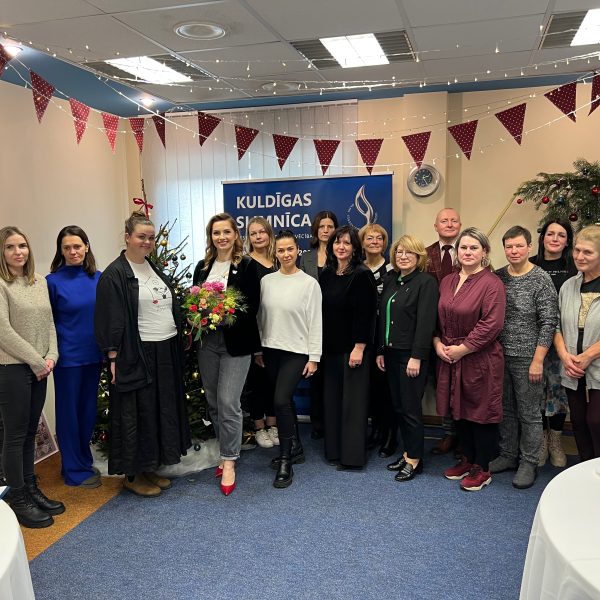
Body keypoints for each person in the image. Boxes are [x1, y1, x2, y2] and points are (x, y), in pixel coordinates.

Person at [95, 211, 190, 498]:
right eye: (141, 237)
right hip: (136, 354)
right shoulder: (115, 274)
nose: (147, 242)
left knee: (156, 411)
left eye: (151, 237)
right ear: (127, 237)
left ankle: (149, 467)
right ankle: (133, 475)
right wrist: (113, 358)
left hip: (164, 350)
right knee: (135, 413)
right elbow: (110, 319)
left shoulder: (152, 267)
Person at [0, 226, 64, 528]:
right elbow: (3, 332)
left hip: (40, 366)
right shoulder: (1, 284)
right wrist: (37, 360)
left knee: (29, 432)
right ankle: (17, 496)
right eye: (10, 247)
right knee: (15, 435)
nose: (18, 252)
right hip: (12, 368)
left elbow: (49, 322)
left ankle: (29, 486)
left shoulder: (39, 281)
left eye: (22, 246)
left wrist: (52, 356)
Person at [193, 213, 260, 496]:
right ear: (211, 237)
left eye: (226, 232)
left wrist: (224, 314)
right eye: (216, 233)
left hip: (236, 343)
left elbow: (252, 306)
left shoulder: (247, 266)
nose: (221, 237)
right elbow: (195, 301)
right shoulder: (202, 267)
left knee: (228, 402)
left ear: (235, 235)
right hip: (207, 343)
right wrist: (197, 313)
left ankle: (230, 461)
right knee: (213, 402)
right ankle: (225, 449)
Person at [436, 228, 506, 491]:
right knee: (459, 410)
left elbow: (492, 324)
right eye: (463, 247)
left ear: (484, 252)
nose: (467, 252)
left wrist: (463, 349)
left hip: (480, 358)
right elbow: (438, 318)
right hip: (450, 355)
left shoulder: (492, 283)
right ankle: (467, 459)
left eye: (473, 248)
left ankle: (483, 468)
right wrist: (437, 344)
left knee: (481, 413)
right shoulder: (448, 281)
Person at [490, 226, 558, 489]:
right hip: (499, 355)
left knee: (529, 413)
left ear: (529, 247)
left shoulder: (540, 279)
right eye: (509, 247)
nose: (514, 251)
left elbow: (549, 322)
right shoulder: (498, 277)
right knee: (506, 409)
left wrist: (538, 360)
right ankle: (508, 454)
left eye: (519, 246)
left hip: (528, 358)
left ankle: (529, 461)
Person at [257, 230, 322, 488]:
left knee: (280, 401)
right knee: (284, 403)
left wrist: (314, 357)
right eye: (281, 250)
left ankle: (285, 459)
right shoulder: (267, 281)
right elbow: (261, 317)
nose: (285, 254)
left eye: (290, 249)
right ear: (275, 252)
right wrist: (258, 350)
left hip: (297, 351)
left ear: (298, 250)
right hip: (270, 350)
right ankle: (295, 447)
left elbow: (315, 322)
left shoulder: (309, 283)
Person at [376, 235, 438, 482]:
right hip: (391, 354)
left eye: (409, 252)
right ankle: (408, 452)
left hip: (410, 356)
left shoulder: (426, 282)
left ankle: (414, 459)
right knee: (399, 407)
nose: (403, 256)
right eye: (399, 252)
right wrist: (381, 350)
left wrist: (417, 357)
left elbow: (426, 323)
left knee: (411, 409)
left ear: (418, 256)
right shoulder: (392, 280)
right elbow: (383, 318)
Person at [46, 226, 103, 489]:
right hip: (67, 358)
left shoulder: (99, 278)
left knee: (87, 412)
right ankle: (73, 471)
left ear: (86, 246)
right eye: (66, 247)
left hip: (94, 355)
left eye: (77, 246)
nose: (72, 251)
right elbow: (47, 323)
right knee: (69, 415)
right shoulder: (52, 282)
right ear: (60, 251)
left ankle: (81, 461)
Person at [320, 225, 377, 469]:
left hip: (352, 349)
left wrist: (359, 348)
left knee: (353, 405)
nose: (341, 247)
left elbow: (366, 315)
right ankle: (334, 451)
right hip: (329, 348)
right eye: (337, 242)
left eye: (346, 243)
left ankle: (352, 458)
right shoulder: (326, 273)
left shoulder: (362, 274)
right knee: (332, 402)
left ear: (355, 248)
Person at [530, 219, 576, 468]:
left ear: (567, 241)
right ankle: (540, 441)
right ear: (542, 238)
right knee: (535, 391)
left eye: (561, 235)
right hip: (533, 341)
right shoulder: (531, 265)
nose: (555, 239)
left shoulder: (575, 268)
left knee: (558, 392)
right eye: (550, 234)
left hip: (564, 344)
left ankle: (555, 440)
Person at [554, 225, 600, 461]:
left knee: (596, 420)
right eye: (577, 250)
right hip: (571, 365)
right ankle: (585, 468)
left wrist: (588, 355)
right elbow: (556, 325)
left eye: (588, 252)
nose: (580, 256)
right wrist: (564, 355)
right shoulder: (568, 286)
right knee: (579, 421)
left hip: (596, 365)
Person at [300, 210, 339, 440]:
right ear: (315, 230)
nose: (326, 230)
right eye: (322, 226)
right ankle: (318, 423)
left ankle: (333, 421)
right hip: (310, 324)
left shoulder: (341, 254)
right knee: (316, 377)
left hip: (335, 324)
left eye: (330, 226)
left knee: (333, 377)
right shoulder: (306, 258)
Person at [358, 223, 396, 457]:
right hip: (364, 336)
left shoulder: (393, 269)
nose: (374, 242)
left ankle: (389, 435)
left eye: (379, 238)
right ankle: (374, 431)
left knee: (386, 389)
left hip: (385, 335)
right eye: (369, 238)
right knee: (369, 387)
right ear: (362, 243)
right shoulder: (357, 268)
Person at [426, 208, 462, 455]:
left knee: (464, 387)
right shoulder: (424, 254)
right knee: (441, 385)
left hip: (463, 331)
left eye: (453, 221)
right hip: (434, 328)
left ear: (460, 225)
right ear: (436, 226)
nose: (449, 224)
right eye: (444, 221)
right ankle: (449, 433)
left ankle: (465, 437)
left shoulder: (470, 251)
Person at [244, 217, 278, 449]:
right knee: (257, 381)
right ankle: (259, 426)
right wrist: (256, 347)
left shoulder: (277, 261)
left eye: (261, 232)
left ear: (269, 234)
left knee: (274, 380)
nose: (258, 237)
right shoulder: (246, 263)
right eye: (253, 233)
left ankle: (273, 424)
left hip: (278, 330)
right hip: (256, 331)